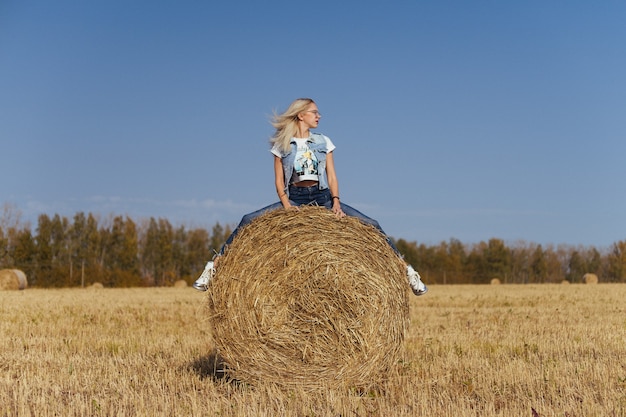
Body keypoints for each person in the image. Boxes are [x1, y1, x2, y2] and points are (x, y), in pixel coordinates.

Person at [193, 98, 427, 296]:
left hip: (323, 197)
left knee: (373, 225)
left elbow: (332, 176)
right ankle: (213, 268)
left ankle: (406, 271)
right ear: (301, 115)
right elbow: (278, 181)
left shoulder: (324, 142)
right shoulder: (282, 144)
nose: (319, 116)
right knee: (247, 219)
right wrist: (285, 205)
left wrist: (335, 201)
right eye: (315, 112)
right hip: (295, 198)